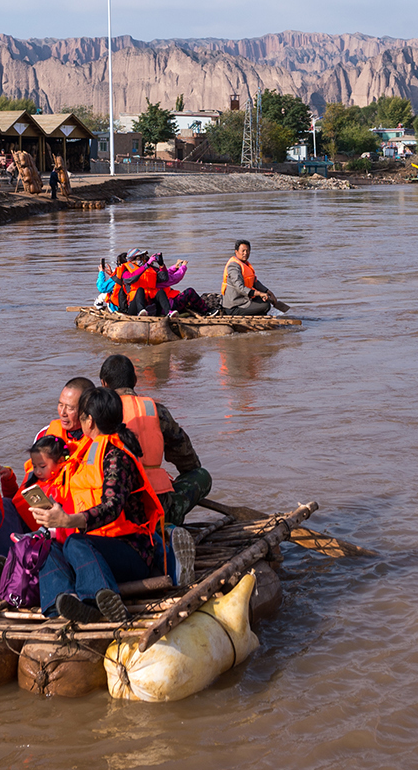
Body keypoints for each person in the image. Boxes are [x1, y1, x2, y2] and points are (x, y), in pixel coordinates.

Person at [34, 385, 166, 624]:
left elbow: (112, 506)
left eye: (81, 416)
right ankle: (61, 604)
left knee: (75, 542)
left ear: (90, 421)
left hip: (130, 551)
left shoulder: (116, 456)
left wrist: (69, 520)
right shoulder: (85, 450)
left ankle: (100, 599)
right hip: (96, 548)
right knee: (47, 548)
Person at [99, 354, 212, 525]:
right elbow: (186, 458)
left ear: (103, 384)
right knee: (201, 476)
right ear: (135, 380)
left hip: (108, 511)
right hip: (155, 509)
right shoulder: (155, 410)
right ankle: (168, 519)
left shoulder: (95, 416)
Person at [220, 239, 280, 316]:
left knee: (264, 300)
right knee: (265, 306)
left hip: (244, 299)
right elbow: (240, 288)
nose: (245, 253)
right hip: (235, 305)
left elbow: (254, 282)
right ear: (236, 252)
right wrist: (259, 293)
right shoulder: (233, 266)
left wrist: (269, 293)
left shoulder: (245, 264)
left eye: (247, 251)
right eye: (243, 251)